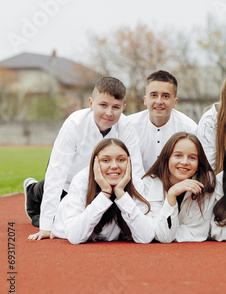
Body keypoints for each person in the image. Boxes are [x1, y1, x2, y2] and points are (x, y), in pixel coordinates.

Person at [25, 77, 144, 240]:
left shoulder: (127, 127)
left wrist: (143, 217)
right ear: (91, 103)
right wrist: (45, 226)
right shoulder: (74, 124)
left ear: (123, 108)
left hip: (99, 183)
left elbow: (136, 169)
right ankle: (33, 190)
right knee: (53, 222)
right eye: (103, 105)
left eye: (116, 107)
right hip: (69, 179)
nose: (109, 113)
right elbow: (56, 173)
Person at [49, 139, 154, 244]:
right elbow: (74, 237)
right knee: (37, 197)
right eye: (106, 160)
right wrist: (105, 194)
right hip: (60, 210)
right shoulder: (81, 180)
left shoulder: (135, 183)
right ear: (95, 163)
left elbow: (146, 237)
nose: (114, 166)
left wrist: (121, 194)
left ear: (129, 162)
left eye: (121, 160)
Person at [143, 132, 216, 243]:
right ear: (167, 158)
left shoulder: (206, 182)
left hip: (194, 252)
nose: (184, 162)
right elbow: (163, 236)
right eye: (178, 155)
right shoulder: (149, 183)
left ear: (198, 163)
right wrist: (172, 194)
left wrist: (168, 232)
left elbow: (198, 233)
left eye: (192, 157)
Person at [128, 70, 197, 172]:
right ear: (145, 100)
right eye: (154, 95)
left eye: (165, 96)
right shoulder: (129, 126)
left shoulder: (190, 129)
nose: (159, 101)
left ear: (175, 102)